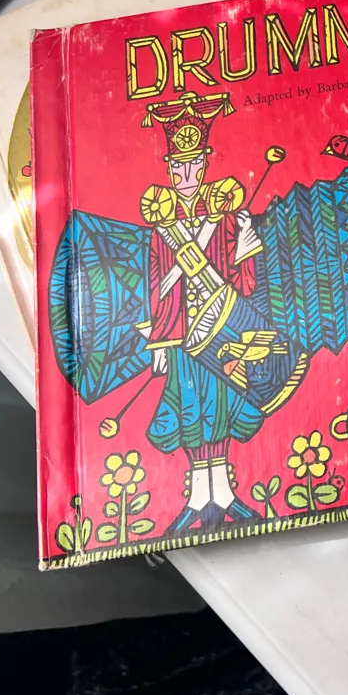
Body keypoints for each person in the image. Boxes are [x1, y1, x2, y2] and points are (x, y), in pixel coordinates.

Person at [138, 92, 267, 532]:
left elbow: (243, 284)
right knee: (190, 409)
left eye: (194, 165)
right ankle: (198, 498)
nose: (187, 176)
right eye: (178, 167)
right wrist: (160, 342)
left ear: (206, 164)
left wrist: (245, 246)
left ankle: (223, 494)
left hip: (222, 332)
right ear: (168, 169)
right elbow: (157, 285)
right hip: (181, 336)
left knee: (222, 407)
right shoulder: (162, 228)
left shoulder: (226, 219)